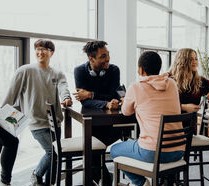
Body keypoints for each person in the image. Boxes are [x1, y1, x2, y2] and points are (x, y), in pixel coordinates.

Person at [1, 39, 72, 186]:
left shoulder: (57, 73)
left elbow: (64, 88)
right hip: (36, 122)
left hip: (55, 122)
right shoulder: (24, 71)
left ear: (51, 53)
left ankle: (46, 183)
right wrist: (1, 115)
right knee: (53, 152)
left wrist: (66, 98)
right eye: (38, 49)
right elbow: (10, 96)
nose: (40, 52)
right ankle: (37, 174)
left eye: (44, 49)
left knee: (54, 158)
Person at [110, 51, 184, 186]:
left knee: (115, 150)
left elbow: (126, 112)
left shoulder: (136, 87)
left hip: (152, 152)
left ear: (140, 69)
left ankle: (141, 183)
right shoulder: (172, 84)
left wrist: (126, 99)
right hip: (179, 150)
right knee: (138, 143)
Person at [73, 40, 126, 186]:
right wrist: (105, 103)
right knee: (93, 143)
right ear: (91, 58)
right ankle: (102, 175)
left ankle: (97, 176)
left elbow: (112, 94)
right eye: (103, 56)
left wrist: (91, 94)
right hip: (92, 126)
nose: (107, 59)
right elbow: (84, 102)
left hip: (112, 126)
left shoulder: (114, 70)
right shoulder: (80, 71)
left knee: (95, 146)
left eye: (108, 55)